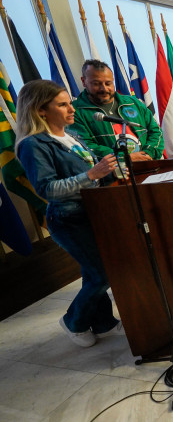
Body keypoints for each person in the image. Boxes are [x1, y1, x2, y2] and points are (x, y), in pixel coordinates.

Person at [15, 80, 124, 347]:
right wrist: (91, 174)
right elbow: (47, 189)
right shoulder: (34, 144)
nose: (71, 109)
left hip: (92, 211)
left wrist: (113, 172)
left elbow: (91, 172)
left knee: (93, 271)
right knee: (102, 273)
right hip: (68, 218)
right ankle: (73, 321)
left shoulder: (71, 134)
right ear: (40, 110)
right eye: (62, 105)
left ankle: (102, 322)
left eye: (70, 103)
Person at [70, 59, 163, 161]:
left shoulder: (133, 103)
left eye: (108, 83)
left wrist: (148, 153)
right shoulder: (74, 111)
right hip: (111, 173)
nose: (104, 89)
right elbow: (84, 146)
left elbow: (155, 131)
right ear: (84, 81)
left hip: (148, 164)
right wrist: (124, 158)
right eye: (96, 84)